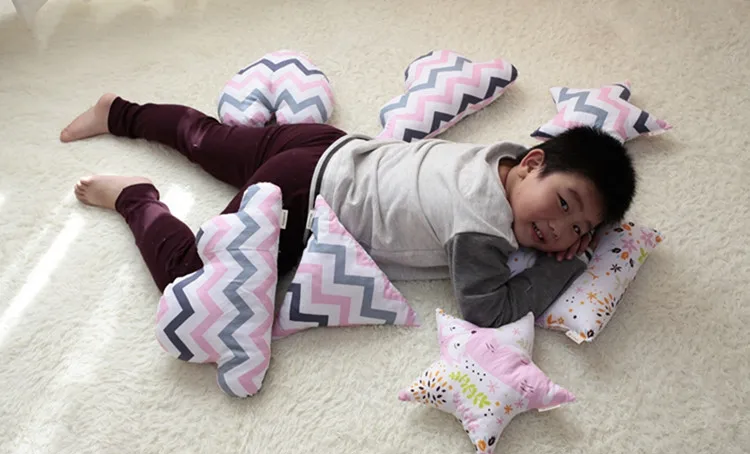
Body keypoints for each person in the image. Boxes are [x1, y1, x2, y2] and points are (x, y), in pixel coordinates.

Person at [60, 94, 636, 328]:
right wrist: (566, 265)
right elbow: (490, 310)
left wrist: (566, 219)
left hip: (327, 145)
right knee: (192, 278)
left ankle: (121, 112)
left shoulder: (500, 158)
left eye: (579, 229)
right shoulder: (480, 228)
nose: (559, 230)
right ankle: (136, 197)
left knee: (209, 141)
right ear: (533, 165)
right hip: (302, 200)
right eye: (564, 205)